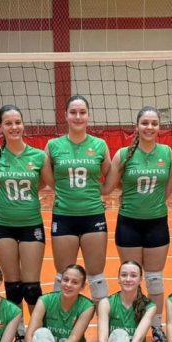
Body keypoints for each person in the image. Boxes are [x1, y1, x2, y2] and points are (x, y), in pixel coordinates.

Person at [103, 106, 172, 342]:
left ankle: (156, 326)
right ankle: (129, 326)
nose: (149, 127)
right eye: (145, 123)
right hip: (129, 223)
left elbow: (170, 185)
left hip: (157, 223)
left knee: (154, 280)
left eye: (154, 123)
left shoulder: (166, 152)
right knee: (131, 278)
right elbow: (108, 186)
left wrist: (158, 203)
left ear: (159, 127)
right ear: (137, 126)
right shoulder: (123, 154)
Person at [0, 104, 46, 342]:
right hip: (4, 225)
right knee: (13, 286)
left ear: (23, 124)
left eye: (17, 122)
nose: (14, 127)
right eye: (8, 123)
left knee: (31, 286)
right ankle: (19, 334)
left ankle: (38, 335)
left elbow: (45, 182)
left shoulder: (38, 156)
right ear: (0, 127)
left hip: (31, 223)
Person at [43, 95, 111, 305]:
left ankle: (103, 321)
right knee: (63, 275)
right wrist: (65, 191)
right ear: (65, 115)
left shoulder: (99, 145)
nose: (78, 117)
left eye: (82, 112)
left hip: (93, 215)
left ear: (88, 116)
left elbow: (110, 178)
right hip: (64, 216)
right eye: (73, 112)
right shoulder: (53, 145)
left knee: (96, 276)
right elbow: (49, 180)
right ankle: (58, 320)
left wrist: (95, 192)